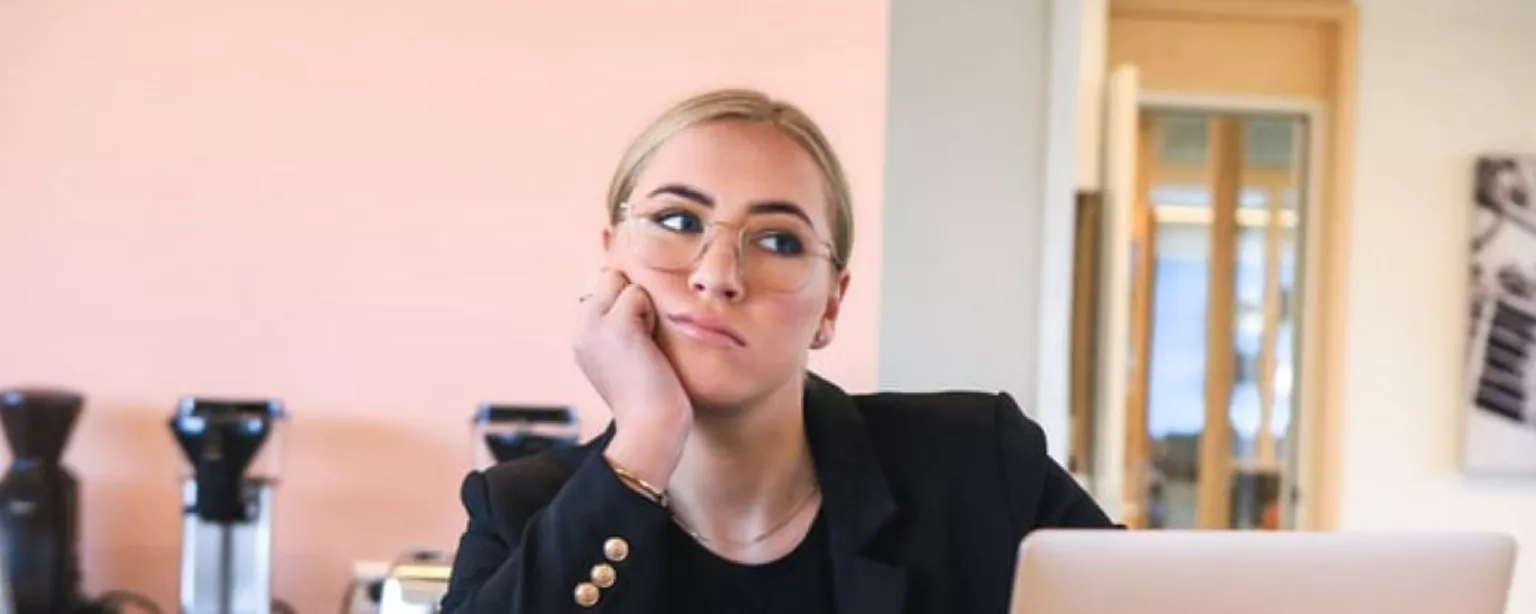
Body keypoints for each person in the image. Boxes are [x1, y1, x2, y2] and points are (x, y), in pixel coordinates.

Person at [440, 89, 1116, 614]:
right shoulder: (519, 511)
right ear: (609, 259)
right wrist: (645, 441)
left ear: (831, 305)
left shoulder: (979, 465)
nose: (717, 273)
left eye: (778, 240)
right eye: (678, 221)